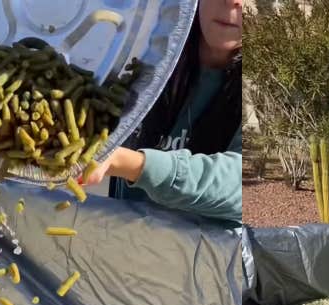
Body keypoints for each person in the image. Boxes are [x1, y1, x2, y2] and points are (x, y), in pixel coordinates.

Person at [80, 0, 243, 222]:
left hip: (207, 252)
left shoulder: (265, 84)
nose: (233, 1)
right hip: (120, 239)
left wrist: (132, 164)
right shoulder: (152, 50)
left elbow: (236, 185)